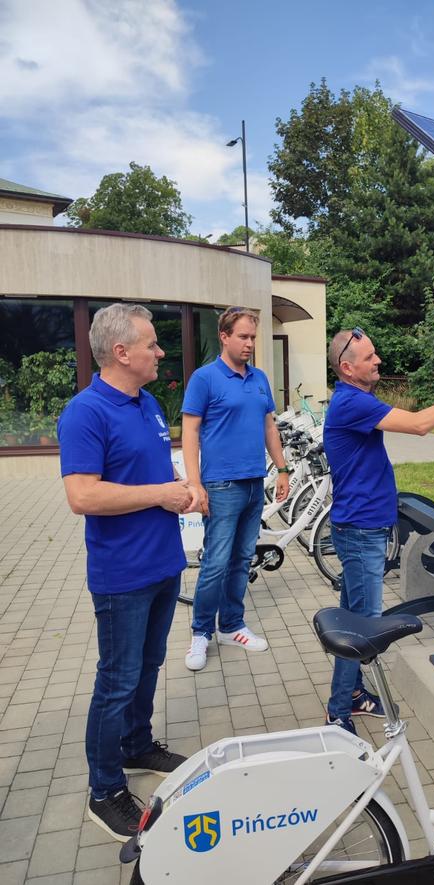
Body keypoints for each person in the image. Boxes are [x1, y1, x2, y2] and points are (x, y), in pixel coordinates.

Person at [58, 303, 198, 842]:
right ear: (121, 352)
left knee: (149, 665)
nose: (160, 352)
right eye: (152, 344)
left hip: (163, 564)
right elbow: (82, 494)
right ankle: (104, 788)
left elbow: (143, 478)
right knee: (116, 681)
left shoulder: (148, 404)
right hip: (122, 575)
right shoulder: (86, 412)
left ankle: (137, 744)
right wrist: (160, 493)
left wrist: (178, 495)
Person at [324, 327, 434, 734]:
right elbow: (418, 425)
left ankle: (354, 696)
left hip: (360, 528)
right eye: (369, 357)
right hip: (361, 532)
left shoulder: (355, 400)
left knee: (351, 622)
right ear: (347, 368)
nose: (378, 360)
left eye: (376, 353)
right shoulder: (351, 403)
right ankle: (339, 712)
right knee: (361, 628)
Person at [182, 306, 289, 671]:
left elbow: (269, 427)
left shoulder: (259, 378)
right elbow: (191, 433)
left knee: (242, 561)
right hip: (221, 485)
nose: (249, 344)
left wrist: (283, 469)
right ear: (224, 336)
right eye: (242, 336)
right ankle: (200, 633)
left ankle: (231, 626)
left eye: (252, 337)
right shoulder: (205, 378)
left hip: (253, 483)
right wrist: (195, 484)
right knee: (215, 563)